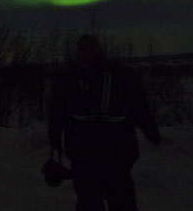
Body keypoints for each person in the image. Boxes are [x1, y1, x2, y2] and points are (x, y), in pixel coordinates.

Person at [48, 34, 161, 211]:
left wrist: (151, 131)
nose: (88, 52)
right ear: (78, 53)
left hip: (117, 150)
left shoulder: (119, 73)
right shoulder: (68, 77)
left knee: (122, 200)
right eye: (83, 49)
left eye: (91, 48)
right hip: (82, 151)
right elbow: (57, 109)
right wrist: (54, 138)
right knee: (88, 201)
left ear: (99, 50)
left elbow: (138, 104)